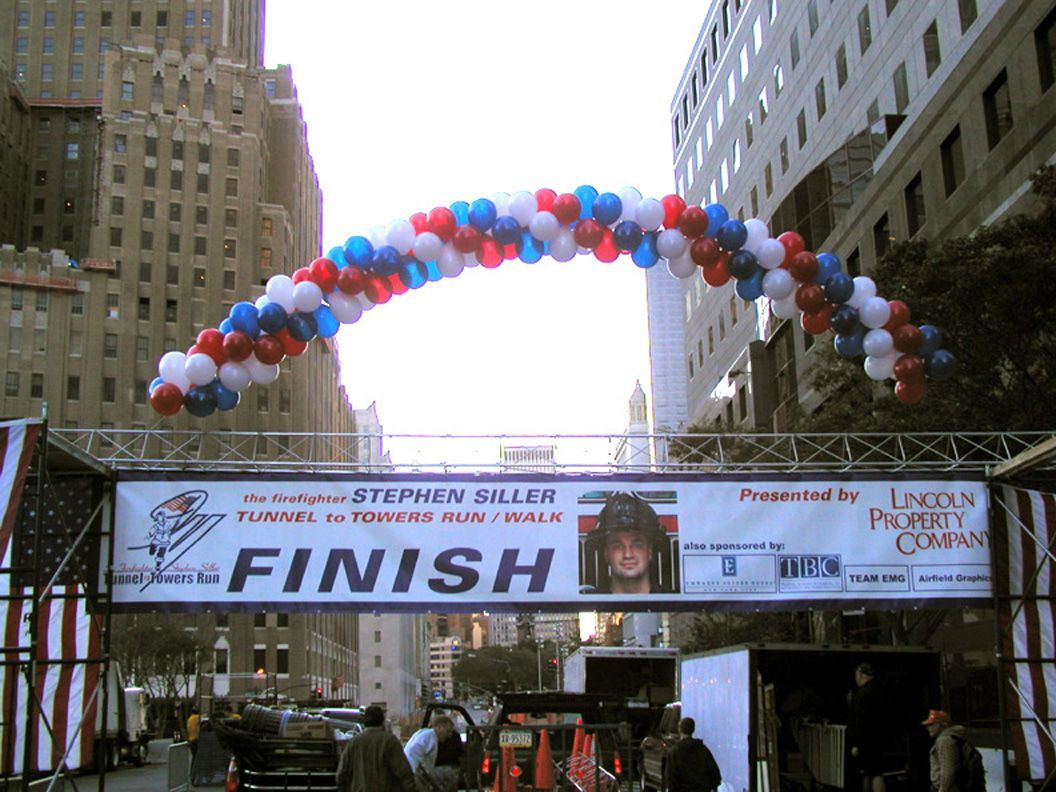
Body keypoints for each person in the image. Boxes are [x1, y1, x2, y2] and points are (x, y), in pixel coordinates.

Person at [588, 492, 672, 594]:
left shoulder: (673, 601)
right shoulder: (589, 603)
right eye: (617, 546)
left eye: (637, 545)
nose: (628, 555)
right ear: (606, 554)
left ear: (650, 551)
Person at [335, 704, 417, 792]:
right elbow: (404, 773)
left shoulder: (353, 743)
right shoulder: (389, 741)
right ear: (382, 721)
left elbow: (341, 774)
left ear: (364, 721)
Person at [848, 662, 888, 792]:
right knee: (873, 772)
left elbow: (861, 720)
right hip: (879, 738)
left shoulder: (862, 694)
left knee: (871, 772)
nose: (855, 678)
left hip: (866, 740)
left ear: (861, 674)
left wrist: (856, 743)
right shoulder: (880, 690)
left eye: (856, 674)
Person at [666, 717, 722, 792]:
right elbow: (715, 773)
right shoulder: (703, 750)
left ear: (680, 730)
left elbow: (670, 778)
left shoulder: (674, 752)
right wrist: (712, 787)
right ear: (693, 730)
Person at [403, 716, 456, 792]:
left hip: (416, 773)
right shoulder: (429, 736)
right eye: (448, 731)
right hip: (416, 775)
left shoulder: (425, 733)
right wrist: (423, 776)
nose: (449, 735)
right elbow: (414, 751)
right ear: (439, 727)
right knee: (450, 773)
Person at [923, 710, 971, 792]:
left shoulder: (944, 740)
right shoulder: (952, 737)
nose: (928, 728)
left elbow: (948, 770)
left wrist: (943, 789)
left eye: (932, 724)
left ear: (943, 725)